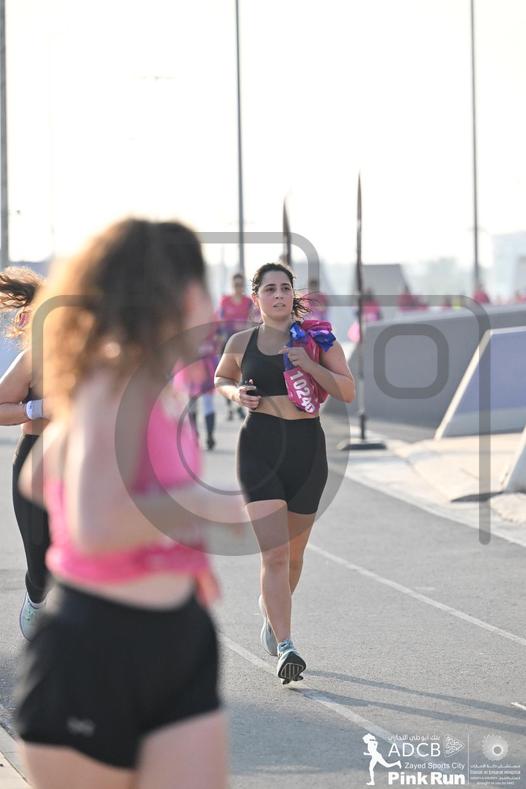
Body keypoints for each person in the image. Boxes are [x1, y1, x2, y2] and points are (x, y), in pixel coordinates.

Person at [14, 219, 246, 789]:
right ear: (179, 294)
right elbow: (94, 526)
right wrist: (207, 505)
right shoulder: (114, 381)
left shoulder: (145, 381)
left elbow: (38, 480)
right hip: (97, 647)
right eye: (205, 287)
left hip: (177, 639)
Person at [214, 262, 355, 684]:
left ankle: (270, 612)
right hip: (259, 448)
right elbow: (221, 378)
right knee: (274, 554)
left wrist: (310, 365)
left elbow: (347, 390)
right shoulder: (242, 342)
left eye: (284, 288)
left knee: (293, 557)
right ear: (256, 297)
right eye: (269, 289)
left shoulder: (318, 339)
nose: (278, 295)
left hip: (306, 450)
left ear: (293, 295)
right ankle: (287, 646)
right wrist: (236, 394)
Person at [0, 267, 51, 639]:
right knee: (40, 556)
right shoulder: (34, 360)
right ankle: (36, 596)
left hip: (80, 461)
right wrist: (38, 408)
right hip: (35, 459)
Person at [217, 272, 255, 421]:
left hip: (243, 343)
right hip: (227, 343)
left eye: (240, 285)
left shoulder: (248, 302)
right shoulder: (225, 301)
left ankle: (239, 405)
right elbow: (220, 321)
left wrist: (245, 327)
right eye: (235, 285)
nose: (238, 287)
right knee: (226, 376)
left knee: (242, 374)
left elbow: (253, 320)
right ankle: (230, 407)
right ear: (232, 285)